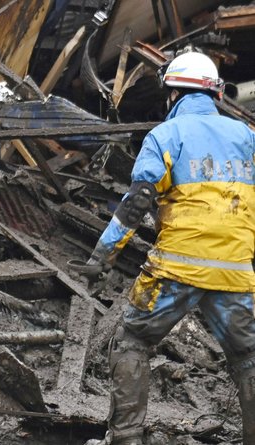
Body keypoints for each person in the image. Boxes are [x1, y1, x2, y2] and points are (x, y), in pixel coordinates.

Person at [83, 51, 255, 445]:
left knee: (131, 341)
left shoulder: (165, 135)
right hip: (235, 272)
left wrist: (102, 256)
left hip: (175, 270)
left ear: (172, 93)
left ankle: (125, 438)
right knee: (248, 357)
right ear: (214, 94)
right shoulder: (247, 137)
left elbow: (138, 202)